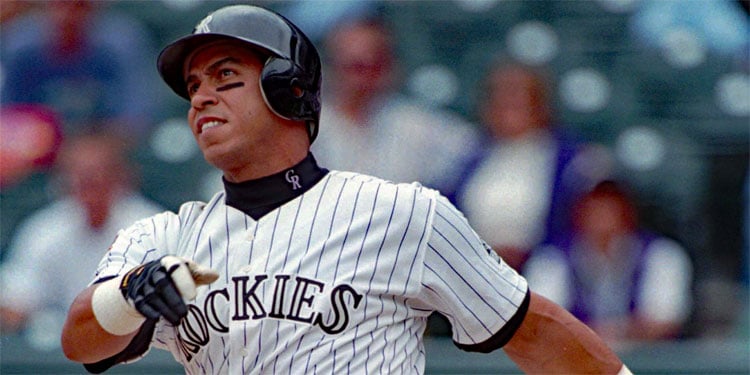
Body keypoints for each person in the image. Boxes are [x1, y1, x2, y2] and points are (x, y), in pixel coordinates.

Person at [60, 5, 629, 374]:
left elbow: (534, 331)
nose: (202, 98)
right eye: (194, 86)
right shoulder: (166, 235)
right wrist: (131, 291)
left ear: (290, 91)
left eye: (226, 78)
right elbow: (80, 341)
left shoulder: (404, 215)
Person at [0, 132, 164, 338]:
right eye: (79, 175)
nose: (89, 182)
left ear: (120, 175)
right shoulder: (44, 230)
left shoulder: (152, 228)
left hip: (138, 349)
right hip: (63, 353)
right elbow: (13, 303)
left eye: (98, 173)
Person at [454, 60, 605, 270]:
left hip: (547, 272)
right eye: (501, 96)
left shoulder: (573, 161)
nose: (509, 104)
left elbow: (589, 224)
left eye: (518, 95)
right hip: (474, 269)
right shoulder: (467, 155)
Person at [311, 14, 479, 196]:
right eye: (356, 66)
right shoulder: (306, 126)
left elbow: (472, 151)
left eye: (374, 65)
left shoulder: (419, 124)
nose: (364, 78)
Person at [523, 180, 694, 343]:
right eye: (594, 208)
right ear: (578, 212)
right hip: (571, 363)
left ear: (628, 212)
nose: (602, 218)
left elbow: (664, 321)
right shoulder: (551, 258)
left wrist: (613, 333)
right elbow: (543, 323)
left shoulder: (662, 254)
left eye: (610, 209)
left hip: (646, 362)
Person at [1, 0, 158, 140]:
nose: (67, 16)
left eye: (78, 6)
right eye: (60, 6)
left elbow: (137, 117)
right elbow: (8, 117)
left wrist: (95, 144)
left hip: (103, 145)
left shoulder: (121, 43)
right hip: (38, 144)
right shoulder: (20, 46)